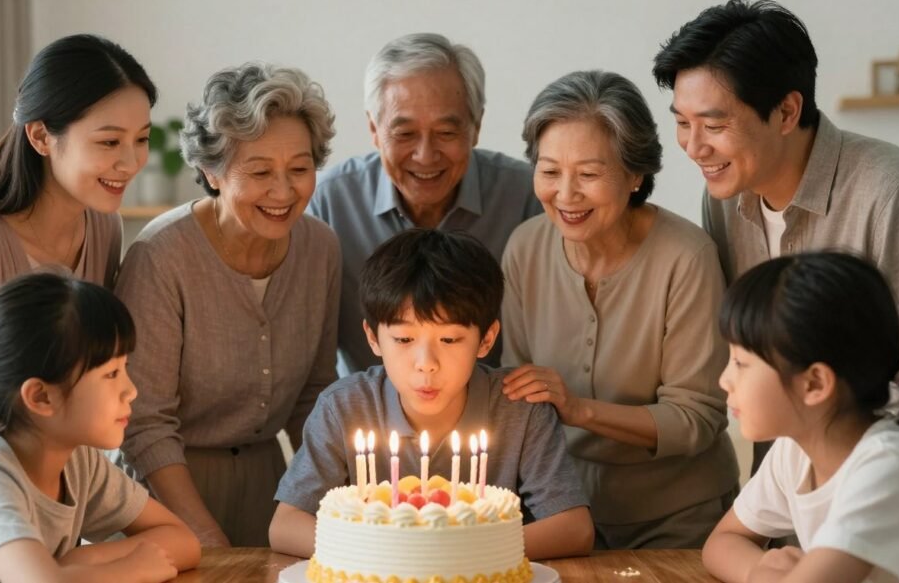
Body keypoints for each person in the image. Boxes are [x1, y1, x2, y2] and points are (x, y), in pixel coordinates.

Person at [652, 1, 899, 408]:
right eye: (682, 123)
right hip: (776, 459)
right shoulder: (724, 198)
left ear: (786, 112)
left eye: (714, 126)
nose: (694, 147)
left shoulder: (894, 193)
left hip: (881, 458)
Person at [501, 70, 739, 549]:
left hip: (680, 521)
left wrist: (579, 409)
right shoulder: (525, 248)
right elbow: (517, 393)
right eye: (549, 171)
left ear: (635, 175)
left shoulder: (686, 257)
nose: (565, 195)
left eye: (588, 174)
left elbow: (696, 418)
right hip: (560, 517)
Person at [116, 62, 340, 548]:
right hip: (165, 490)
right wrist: (203, 536)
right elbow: (145, 421)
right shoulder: (161, 256)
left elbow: (315, 397)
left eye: (299, 170)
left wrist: (338, 510)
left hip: (270, 485)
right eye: (260, 172)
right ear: (211, 173)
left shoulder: (321, 248)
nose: (284, 192)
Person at [268, 229, 593, 560]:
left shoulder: (519, 408)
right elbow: (286, 525)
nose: (426, 365)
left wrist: (445, 555)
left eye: (449, 340)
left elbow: (574, 528)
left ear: (487, 339)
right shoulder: (345, 407)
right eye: (404, 340)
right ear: (373, 338)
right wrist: (395, 556)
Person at [0, 34, 156, 441]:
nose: (131, 163)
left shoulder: (102, 226)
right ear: (41, 136)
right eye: (109, 141)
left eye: (142, 139)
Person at [0, 273, 201, 582]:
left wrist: (83, 559)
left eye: (124, 368)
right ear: (41, 397)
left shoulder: (78, 463)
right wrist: (132, 568)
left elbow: (184, 541)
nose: (131, 391)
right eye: (112, 374)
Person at [307, 32, 541, 374]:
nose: (425, 155)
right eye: (404, 134)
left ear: (476, 127)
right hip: (369, 416)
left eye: (446, 133)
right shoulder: (329, 203)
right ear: (374, 129)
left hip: (494, 414)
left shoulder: (527, 198)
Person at [703, 252, 899, 583]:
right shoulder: (794, 451)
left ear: (814, 383)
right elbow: (721, 543)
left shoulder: (889, 466)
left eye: (740, 363)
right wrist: (756, 571)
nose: (724, 380)